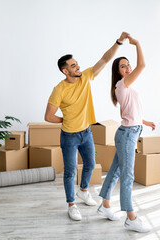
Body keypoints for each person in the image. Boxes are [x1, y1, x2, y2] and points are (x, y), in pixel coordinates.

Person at [44, 32, 129, 221]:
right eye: (73, 65)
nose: (78, 66)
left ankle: (83, 190)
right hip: (69, 137)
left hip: (86, 133)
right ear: (65, 71)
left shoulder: (85, 77)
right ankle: (71, 205)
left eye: (77, 63)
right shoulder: (59, 90)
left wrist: (119, 42)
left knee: (90, 164)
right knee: (69, 172)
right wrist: (66, 120)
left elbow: (105, 59)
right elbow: (48, 116)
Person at [97, 35, 155, 233]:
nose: (128, 67)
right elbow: (143, 65)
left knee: (116, 171)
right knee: (127, 176)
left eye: (128, 65)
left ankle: (105, 205)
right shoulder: (122, 84)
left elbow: (126, 113)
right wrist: (137, 43)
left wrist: (144, 121)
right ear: (118, 71)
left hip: (128, 131)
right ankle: (131, 218)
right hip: (128, 134)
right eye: (123, 66)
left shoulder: (124, 87)